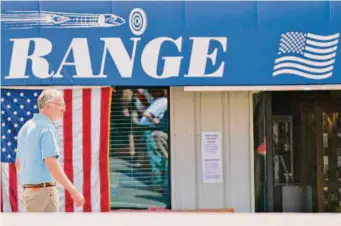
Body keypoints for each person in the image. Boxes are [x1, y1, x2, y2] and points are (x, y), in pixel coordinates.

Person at [15, 89, 85, 212]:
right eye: (61, 105)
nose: (64, 109)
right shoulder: (47, 128)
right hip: (43, 192)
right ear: (49, 105)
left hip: (29, 192)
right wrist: (74, 192)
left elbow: (18, 164)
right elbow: (51, 164)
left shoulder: (25, 128)